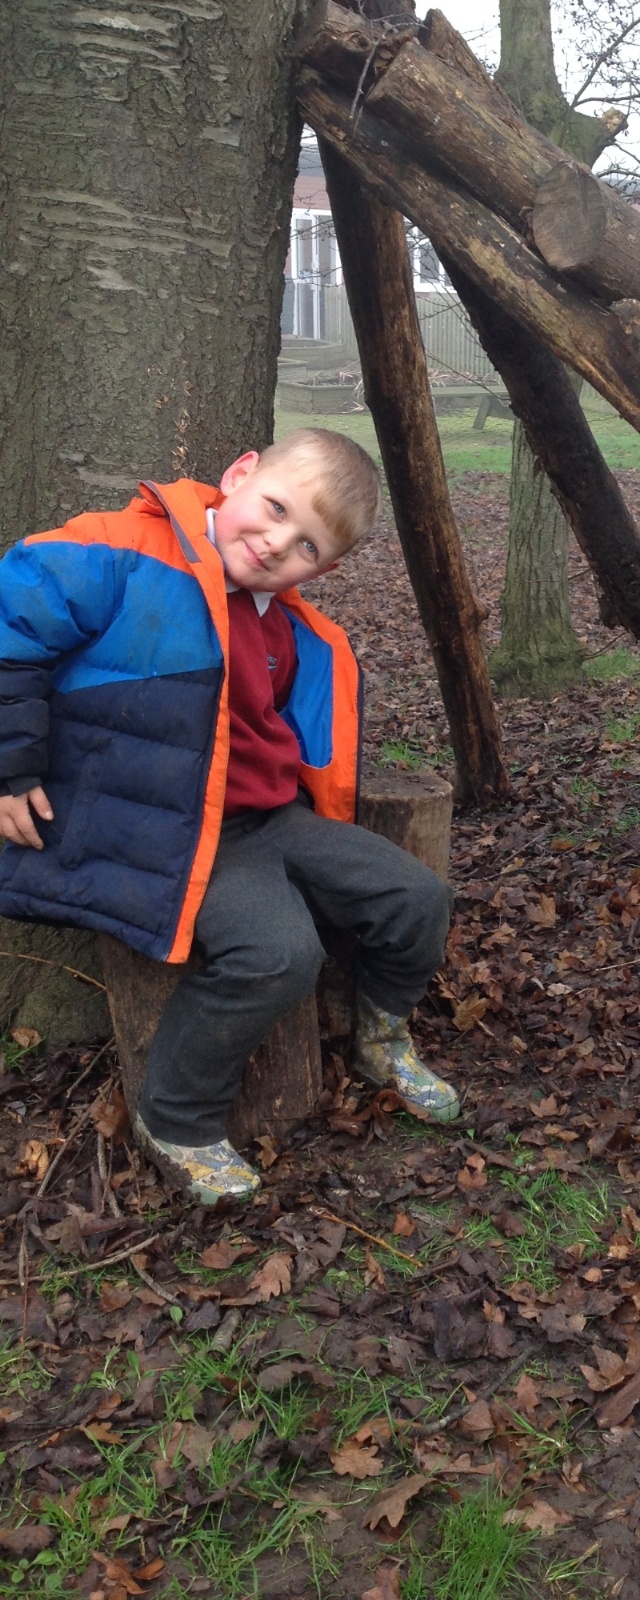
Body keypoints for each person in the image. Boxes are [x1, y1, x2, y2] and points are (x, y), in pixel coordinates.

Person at [0, 429, 458, 1204]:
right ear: (240, 474)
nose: (277, 543)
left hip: (266, 816)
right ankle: (176, 1118)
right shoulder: (122, 552)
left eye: (307, 545)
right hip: (176, 827)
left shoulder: (284, 624)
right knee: (278, 953)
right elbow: (10, 630)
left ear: (324, 569)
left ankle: (381, 1037)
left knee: (416, 897)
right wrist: (11, 768)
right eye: (275, 508)